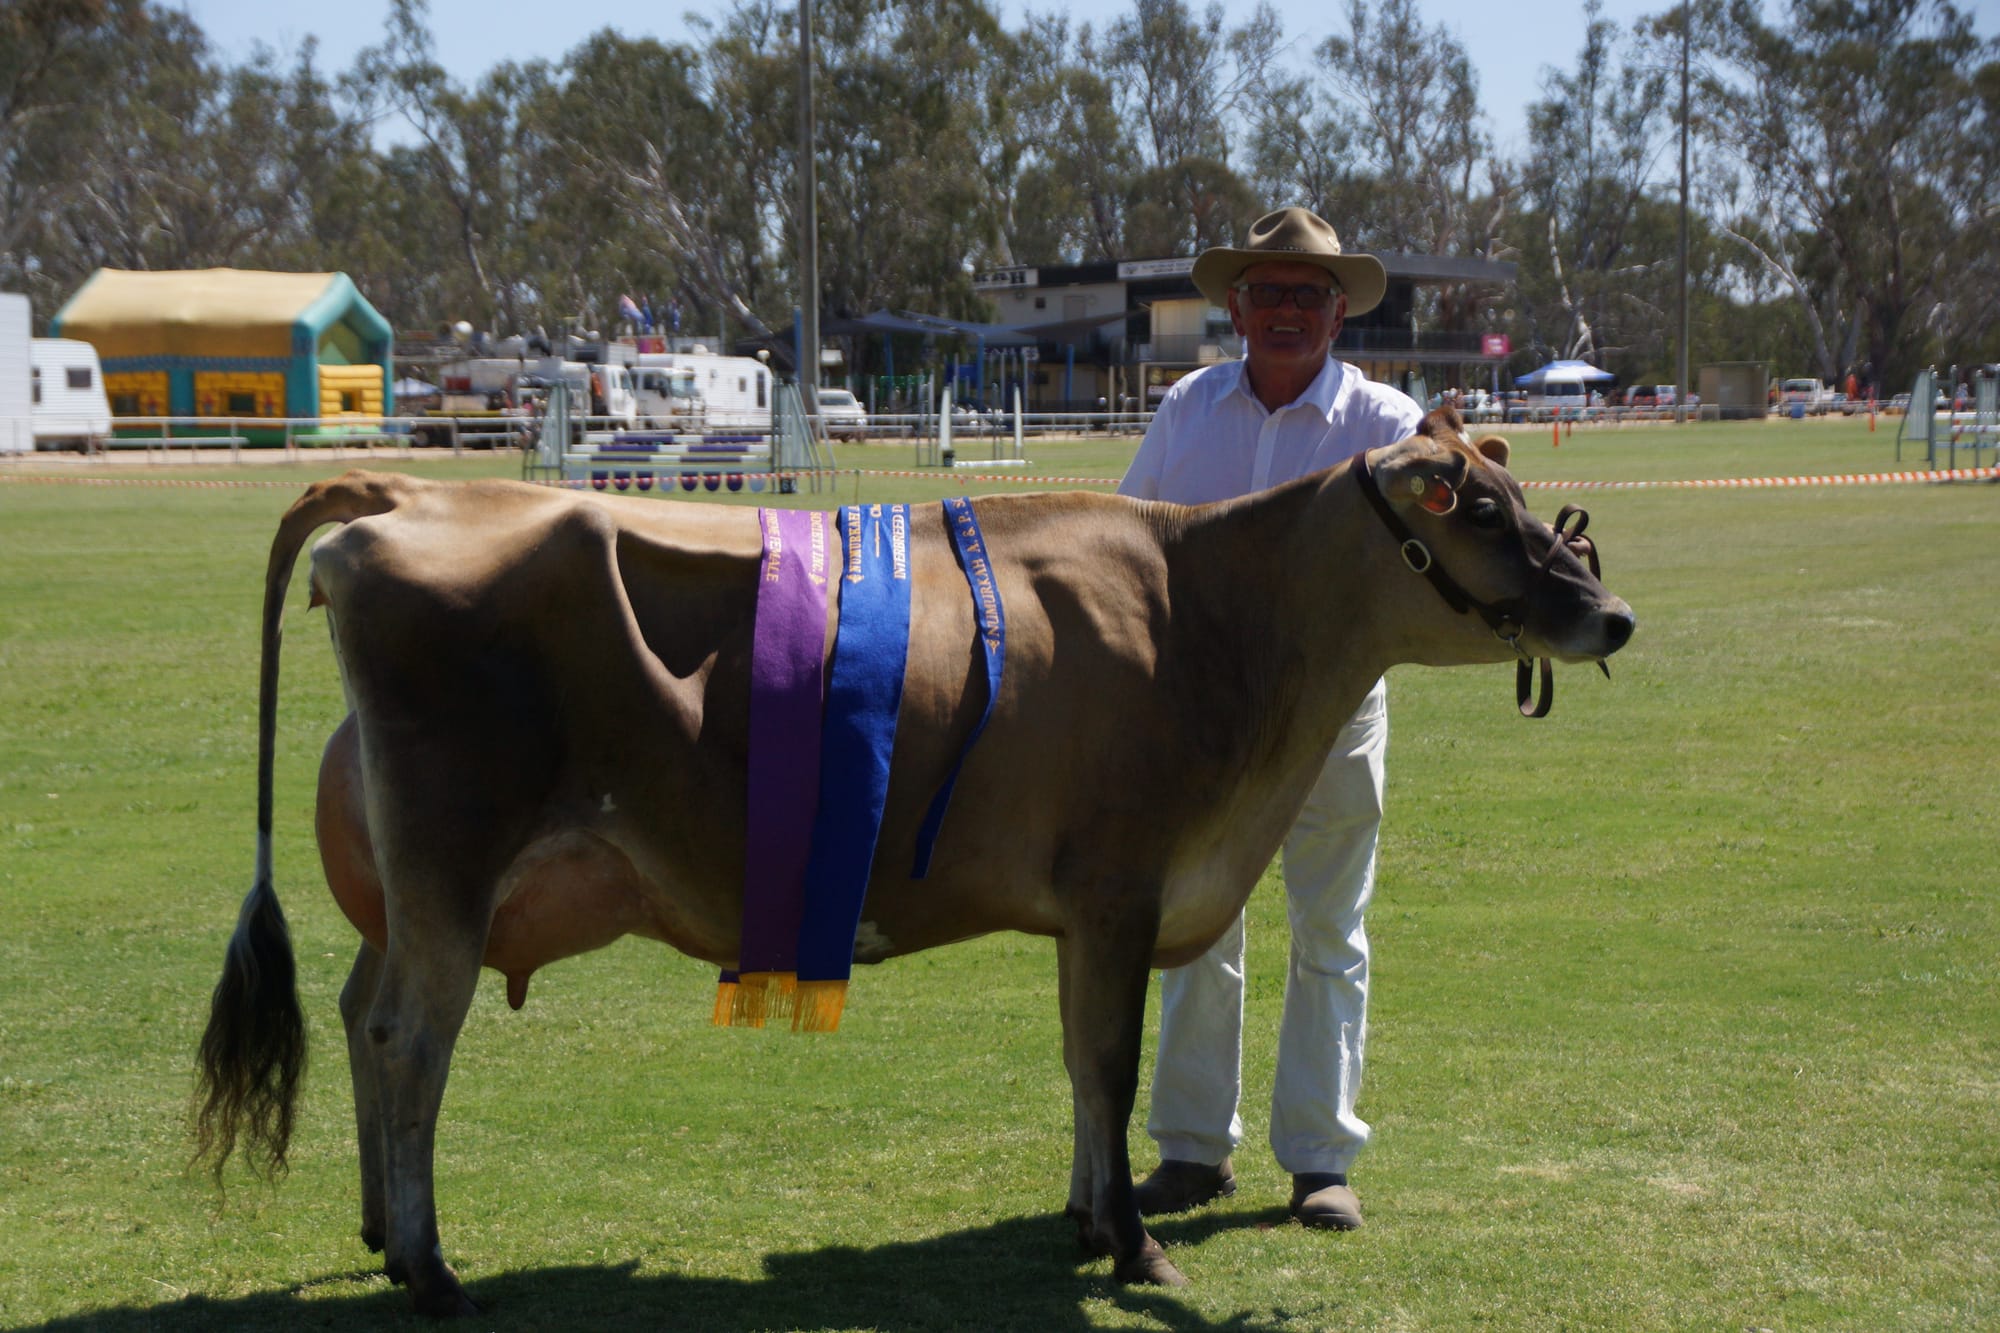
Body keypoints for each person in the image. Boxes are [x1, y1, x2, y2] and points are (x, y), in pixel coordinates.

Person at [1117, 206, 1423, 1232]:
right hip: (1200, 721)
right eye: (1268, 292)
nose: (1287, 310)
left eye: (1307, 294)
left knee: (1329, 929)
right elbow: (1128, 547)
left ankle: (1320, 1161)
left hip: (1332, 716)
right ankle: (1193, 1151)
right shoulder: (1187, 412)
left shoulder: (1387, 425)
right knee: (1197, 928)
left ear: (1338, 313)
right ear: (1236, 307)